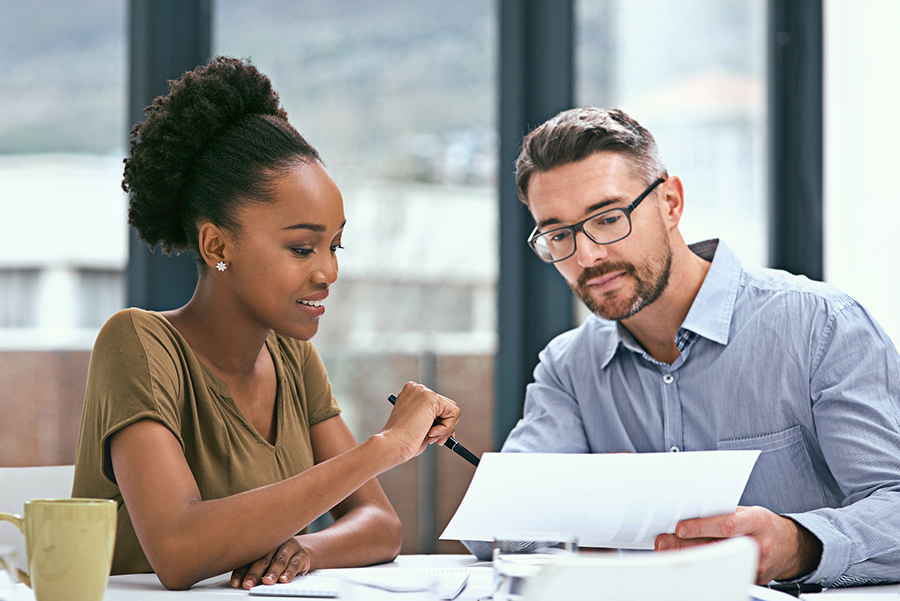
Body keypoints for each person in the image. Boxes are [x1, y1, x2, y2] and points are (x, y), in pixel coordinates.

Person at [466, 107, 900, 587]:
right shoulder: (568, 368)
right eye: (558, 234)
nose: (587, 255)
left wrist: (799, 544)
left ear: (670, 202)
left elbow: (895, 501)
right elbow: (493, 530)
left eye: (608, 218)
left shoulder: (819, 326)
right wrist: (593, 494)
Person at [72, 56, 461, 591]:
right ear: (217, 245)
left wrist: (305, 550)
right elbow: (178, 550)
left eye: (334, 245)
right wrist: (387, 447)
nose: (329, 271)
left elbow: (381, 526)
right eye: (302, 248)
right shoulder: (137, 343)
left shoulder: (291, 355)